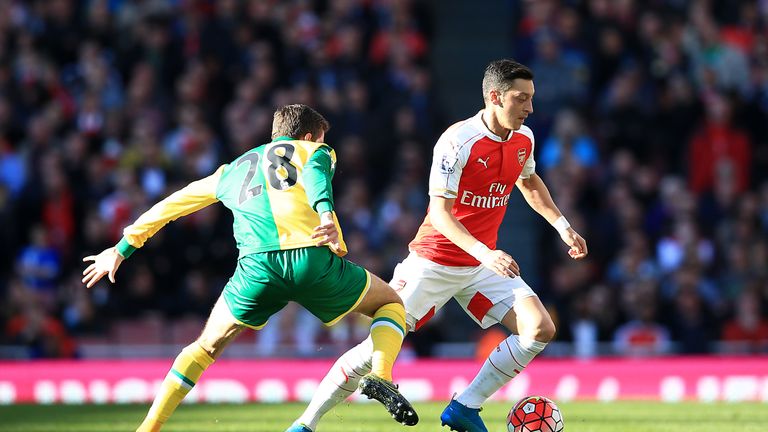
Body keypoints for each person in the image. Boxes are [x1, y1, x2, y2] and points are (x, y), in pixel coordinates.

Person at [289, 59, 588, 432]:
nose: (530, 108)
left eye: (531, 98)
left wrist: (563, 226)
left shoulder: (523, 139)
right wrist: (486, 253)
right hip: (433, 262)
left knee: (539, 329)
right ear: (495, 97)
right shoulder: (457, 141)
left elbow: (529, 183)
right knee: (372, 354)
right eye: (521, 98)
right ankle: (305, 424)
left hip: (479, 268)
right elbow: (441, 214)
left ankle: (465, 407)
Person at [81, 104, 418, 431]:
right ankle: (382, 375)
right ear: (310, 135)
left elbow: (174, 203)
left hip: (257, 269)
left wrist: (122, 247)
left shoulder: (231, 170)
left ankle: (149, 427)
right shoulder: (314, 151)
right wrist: (327, 214)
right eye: (322, 139)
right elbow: (316, 174)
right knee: (389, 304)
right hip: (310, 260)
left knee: (203, 348)